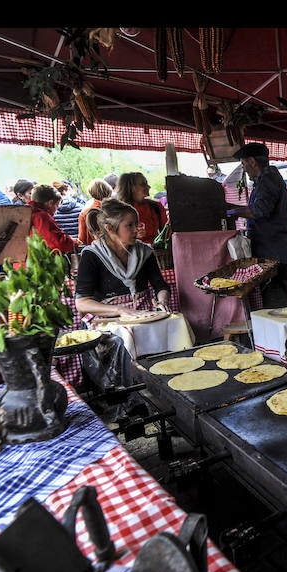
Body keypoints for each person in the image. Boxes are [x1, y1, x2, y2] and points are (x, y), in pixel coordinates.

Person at [75, 198, 172, 421]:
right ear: (109, 229)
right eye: (129, 225)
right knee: (118, 345)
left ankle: (165, 397)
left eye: (136, 224)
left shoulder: (144, 253)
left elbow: (160, 286)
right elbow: (82, 303)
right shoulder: (92, 255)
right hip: (106, 317)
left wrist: (161, 301)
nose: (136, 229)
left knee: (171, 326)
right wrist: (120, 311)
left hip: (142, 311)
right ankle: (128, 405)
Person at [226, 142, 287, 308]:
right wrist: (231, 208)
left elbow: (258, 211)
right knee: (272, 304)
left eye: (243, 164)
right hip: (273, 251)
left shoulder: (268, 179)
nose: (244, 169)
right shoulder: (265, 180)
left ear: (252, 161)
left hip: (275, 253)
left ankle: (283, 334)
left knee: (276, 307)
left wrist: (230, 213)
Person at [116, 172, 168, 246]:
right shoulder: (118, 211)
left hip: (155, 254)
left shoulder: (156, 206)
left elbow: (167, 232)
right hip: (130, 254)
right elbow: (113, 238)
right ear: (131, 188)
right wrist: (132, 236)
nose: (149, 187)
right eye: (143, 184)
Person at [27, 184, 80, 255]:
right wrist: (74, 243)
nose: (56, 210)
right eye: (57, 206)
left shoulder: (28, 211)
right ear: (50, 203)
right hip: (37, 262)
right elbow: (59, 242)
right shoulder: (41, 216)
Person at [78, 178, 114, 246]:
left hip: (94, 251)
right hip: (115, 249)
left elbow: (82, 239)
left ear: (91, 195)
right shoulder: (115, 210)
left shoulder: (84, 213)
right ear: (109, 193)